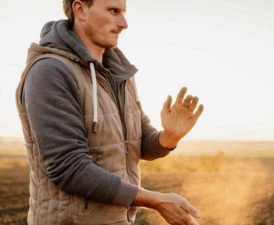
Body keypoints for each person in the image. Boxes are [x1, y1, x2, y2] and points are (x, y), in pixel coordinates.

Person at [15, 0, 204, 224]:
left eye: (123, 12)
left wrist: (169, 137)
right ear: (80, 10)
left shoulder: (120, 74)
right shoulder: (50, 72)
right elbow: (68, 167)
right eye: (113, 11)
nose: (124, 23)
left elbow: (138, 142)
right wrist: (155, 200)